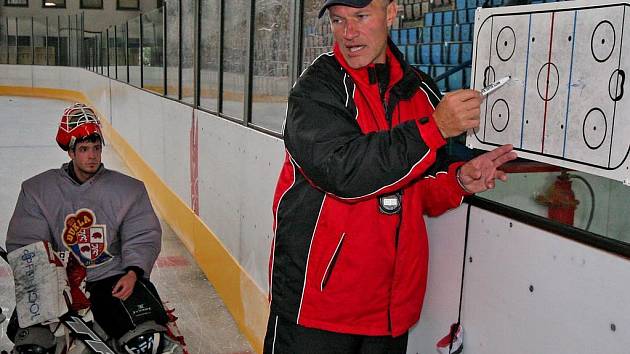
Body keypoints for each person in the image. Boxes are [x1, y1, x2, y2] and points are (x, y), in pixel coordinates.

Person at [264, 0, 517, 353]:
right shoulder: (317, 89)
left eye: (361, 16)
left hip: (389, 314)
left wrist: (459, 181)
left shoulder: (421, 91)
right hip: (316, 310)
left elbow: (419, 188)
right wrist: (433, 129)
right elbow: (343, 172)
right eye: (339, 20)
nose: (348, 33)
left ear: (392, 12)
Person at [5, 103, 171, 353]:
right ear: (70, 152)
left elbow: (142, 234)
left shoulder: (128, 190)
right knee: (33, 347)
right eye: (84, 149)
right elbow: (29, 243)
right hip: (58, 284)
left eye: (96, 148)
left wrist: (133, 273)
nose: (92, 155)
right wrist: (52, 282)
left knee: (147, 343)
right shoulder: (38, 191)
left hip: (112, 279)